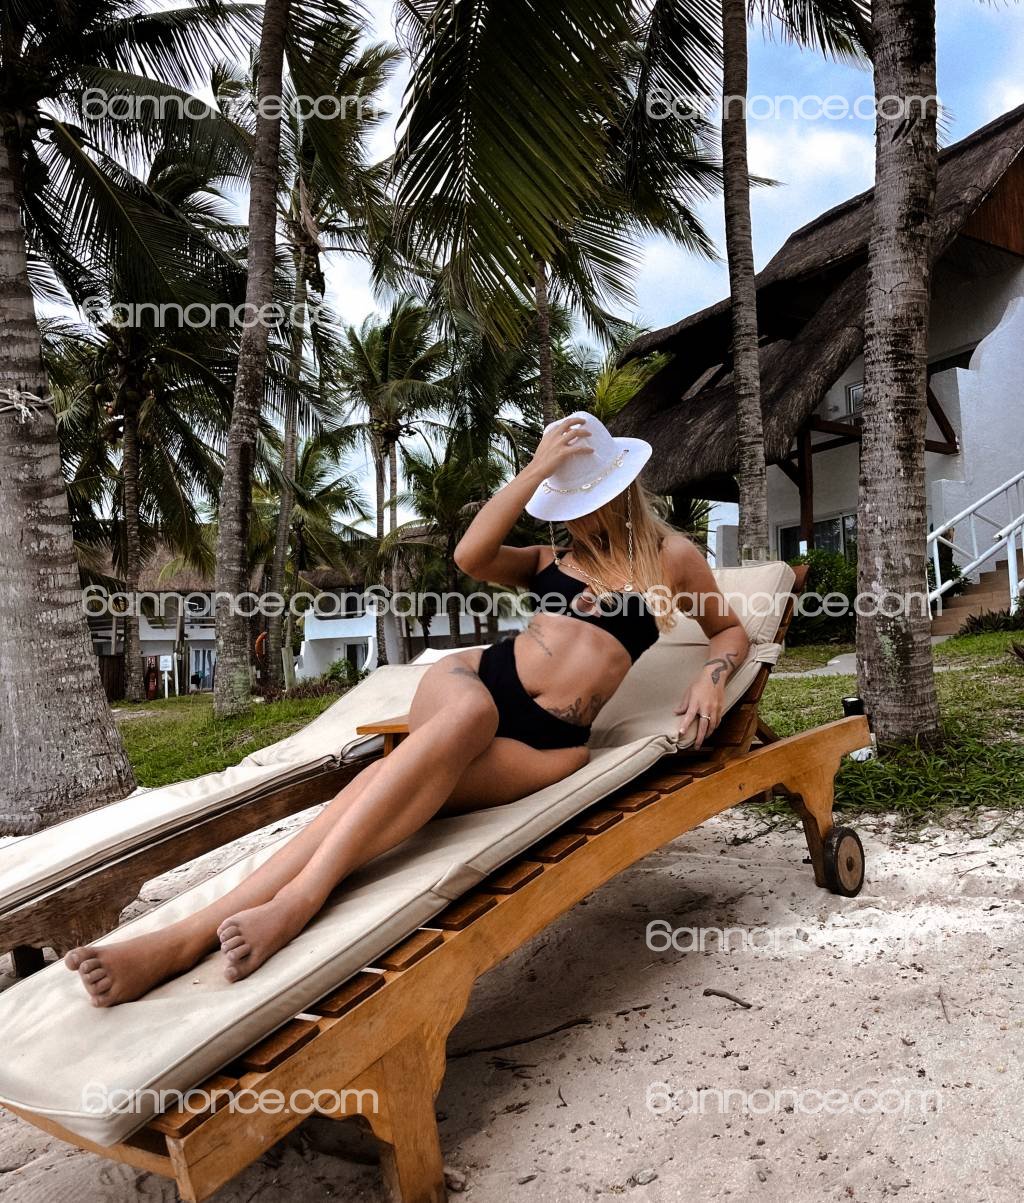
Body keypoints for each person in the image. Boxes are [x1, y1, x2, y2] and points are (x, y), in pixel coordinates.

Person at [66, 413, 749, 1006]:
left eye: (583, 500)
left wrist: (712, 679)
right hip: (474, 682)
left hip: (549, 743)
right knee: (464, 722)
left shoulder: (672, 558)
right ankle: (287, 906)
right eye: (563, 501)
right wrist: (535, 470)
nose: (571, 515)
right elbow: (470, 554)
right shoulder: (547, 557)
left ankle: (184, 939)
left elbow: (728, 631)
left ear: (618, 489)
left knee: (383, 791)